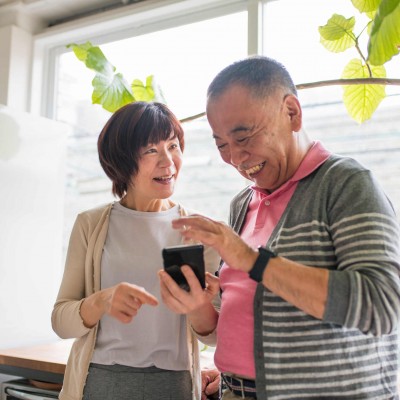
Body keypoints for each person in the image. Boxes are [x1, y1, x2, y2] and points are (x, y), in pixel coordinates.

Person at [158, 55, 400, 399]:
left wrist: (253, 260)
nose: (236, 158)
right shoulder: (243, 203)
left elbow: (383, 306)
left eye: (243, 136)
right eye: (222, 144)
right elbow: (238, 324)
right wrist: (197, 305)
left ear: (292, 113)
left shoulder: (347, 185)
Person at [51, 101, 221, 400]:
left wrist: (197, 306)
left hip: (174, 386)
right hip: (99, 382)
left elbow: (215, 335)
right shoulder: (91, 225)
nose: (168, 162)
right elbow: (61, 321)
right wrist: (102, 300)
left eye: (173, 146)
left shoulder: (199, 230)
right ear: (122, 161)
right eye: (151, 151)